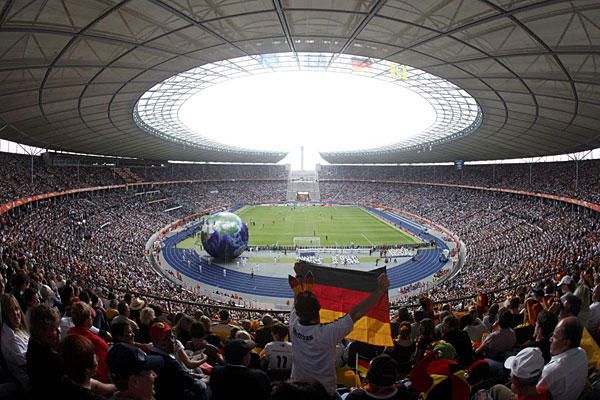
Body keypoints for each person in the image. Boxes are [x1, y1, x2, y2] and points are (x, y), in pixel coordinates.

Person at [289, 262, 390, 397]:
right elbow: (356, 313)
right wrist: (380, 290)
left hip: (297, 390)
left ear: (299, 313)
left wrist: (299, 275)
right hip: (325, 393)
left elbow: (298, 299)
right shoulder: (328, 333)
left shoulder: (293, 325)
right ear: (319, 311)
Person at [146, 321, 209, 400]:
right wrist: (204, 380)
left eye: (172, 337)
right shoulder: (170, 363)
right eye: (165, 339)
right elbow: (196, 385)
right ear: (155, 342)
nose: (172, 341)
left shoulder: (150, 355)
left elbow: (181, 375)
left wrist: (194, 375)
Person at [537, 316, 587, 400]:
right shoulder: (582, 353)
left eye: (555, 336)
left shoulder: (550, 372)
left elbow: (533, 393)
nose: (550, 339)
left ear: (566, 344)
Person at [59, 334, 113, 399]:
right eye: (93, 355)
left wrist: (121, 387)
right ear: (87, 369)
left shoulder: (67, 379)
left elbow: (98, 386)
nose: (97, 358)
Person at [67, 301, 111, 383]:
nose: (93, 319)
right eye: (91, 317)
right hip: (99, 381)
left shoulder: (70, 334)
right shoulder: (96, 341)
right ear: (87, 320)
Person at [26, 304, 61, 397]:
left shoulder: (33, 341)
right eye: (54, 329)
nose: (59, 332)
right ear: (42, 332)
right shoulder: (52, 359)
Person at [0, 293, 30, 391]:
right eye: (10, 311)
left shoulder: (18, 328)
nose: (16, 314)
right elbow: (27, 365)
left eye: (16, 309)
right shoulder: (9, 337)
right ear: (4, 315)